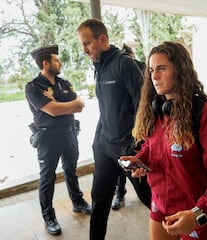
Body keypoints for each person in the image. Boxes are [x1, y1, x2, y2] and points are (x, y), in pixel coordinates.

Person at [120, 41, 207, 240]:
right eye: (151, 70)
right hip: (160, 204)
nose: (154, 76)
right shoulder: (156, 111)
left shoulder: (205, 114)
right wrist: (140, 158)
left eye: (161, 68)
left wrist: (198, 214)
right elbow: (152, 146)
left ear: (180, 70)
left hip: (194, 213)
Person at [76, 19, 151, 239]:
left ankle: (178, 232)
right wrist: (98, 140)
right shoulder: (98, 68)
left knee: (150, 198)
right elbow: (107, 108)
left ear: (103, 39)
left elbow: (142, 107)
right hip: (105, 147)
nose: (84, 49)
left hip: (127, 148)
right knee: (99, 199)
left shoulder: (123, 64)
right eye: (82, 44)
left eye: (87, 43)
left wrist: (137, 147)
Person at [25, 45, 92, 235]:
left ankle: (78, 202)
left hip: (69, 133)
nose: (60, 62)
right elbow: (52, 110)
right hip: (48, 138)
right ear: (45, 63)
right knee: (47, 177)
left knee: (71, 170)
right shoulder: (33, 87)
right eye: (56, 60)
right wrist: (66, 105)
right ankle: (49, 217)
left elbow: (79, 105)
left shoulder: (64, 83)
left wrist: (61, 104)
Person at [111, 43, 147, 211]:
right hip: (123, 127)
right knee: (123, 164)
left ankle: (146, 193)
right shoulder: (117, 70)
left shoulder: (143, 68)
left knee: (139, 162)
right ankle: (120, 192)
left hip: (138, 126)